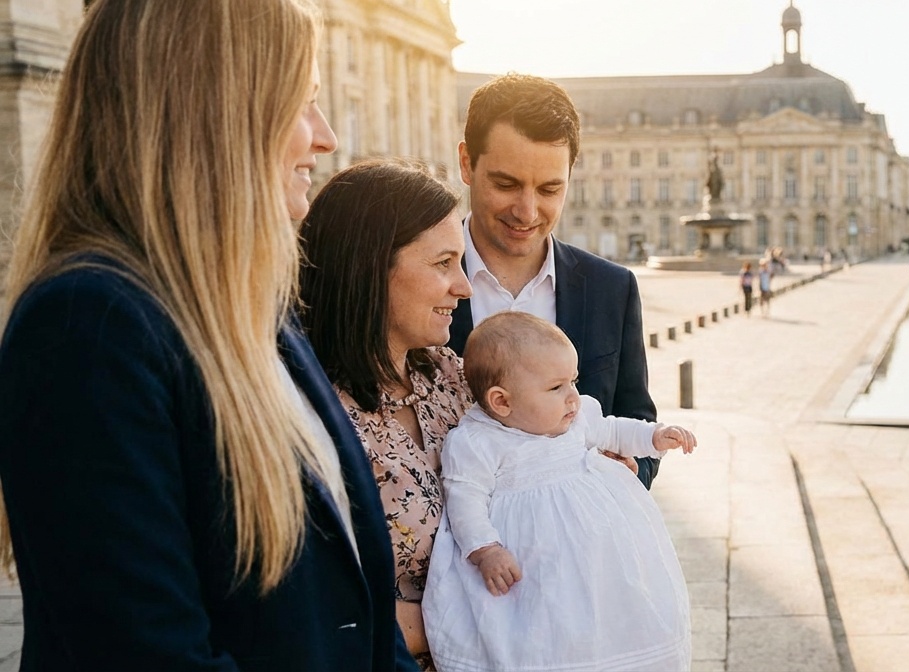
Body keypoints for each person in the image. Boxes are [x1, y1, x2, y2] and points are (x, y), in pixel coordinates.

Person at [0, 1, 416, 669]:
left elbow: (363, 612)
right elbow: (145, 653)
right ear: (218, 115)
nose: (328, 137)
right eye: (303, 102)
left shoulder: (255, 309)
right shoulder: (88, 326)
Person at [424, 312, 695, 671]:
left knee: (607, 606)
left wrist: (653, 437)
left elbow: (612, 430)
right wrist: (485, 549)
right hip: (532, 556)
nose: (573, 398)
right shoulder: (477, 441)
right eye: (556, 388)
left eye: (573, 381)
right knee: (545, 622)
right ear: (502, 402)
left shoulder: (576, 419)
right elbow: (465, 497)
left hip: (598, 550)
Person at [445, 73, 663, 489]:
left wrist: (632, 469)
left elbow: (636, 420)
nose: (527, 212)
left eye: (549, 189)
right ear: (467, 163)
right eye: (506, 184)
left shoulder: (612, 288)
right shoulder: (413, 279)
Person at [297, 159, 474, 670]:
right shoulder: (310, 415)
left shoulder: (451, 376)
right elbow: (317, 607)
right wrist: (471, 617)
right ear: (370, 266)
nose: (464, 286)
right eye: (443, 263)